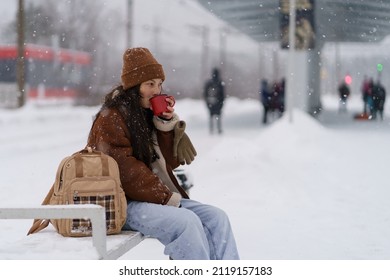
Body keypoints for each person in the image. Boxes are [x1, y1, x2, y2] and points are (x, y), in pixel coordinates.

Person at [87, 47, 239, 260]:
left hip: (148, 198)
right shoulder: (111, 118)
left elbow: (170, 163)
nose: (157, 90)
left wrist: (165, 126)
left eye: (159, 84)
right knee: (186, 222)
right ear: (133, 87)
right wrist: (165, 197)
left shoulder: (145, 114)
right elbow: (125, 171)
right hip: (120, 202)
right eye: (150, 84)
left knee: (217, 218)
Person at [204, 68, 225, 134]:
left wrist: (207, 103)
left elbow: (205, 94)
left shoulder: (208, 83)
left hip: (211, 102)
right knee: (218, 117)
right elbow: (222, 95)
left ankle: (211, 129)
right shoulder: (220, 83)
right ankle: (219, 129)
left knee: (211, 117)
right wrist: (221, 104)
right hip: (218, 102)